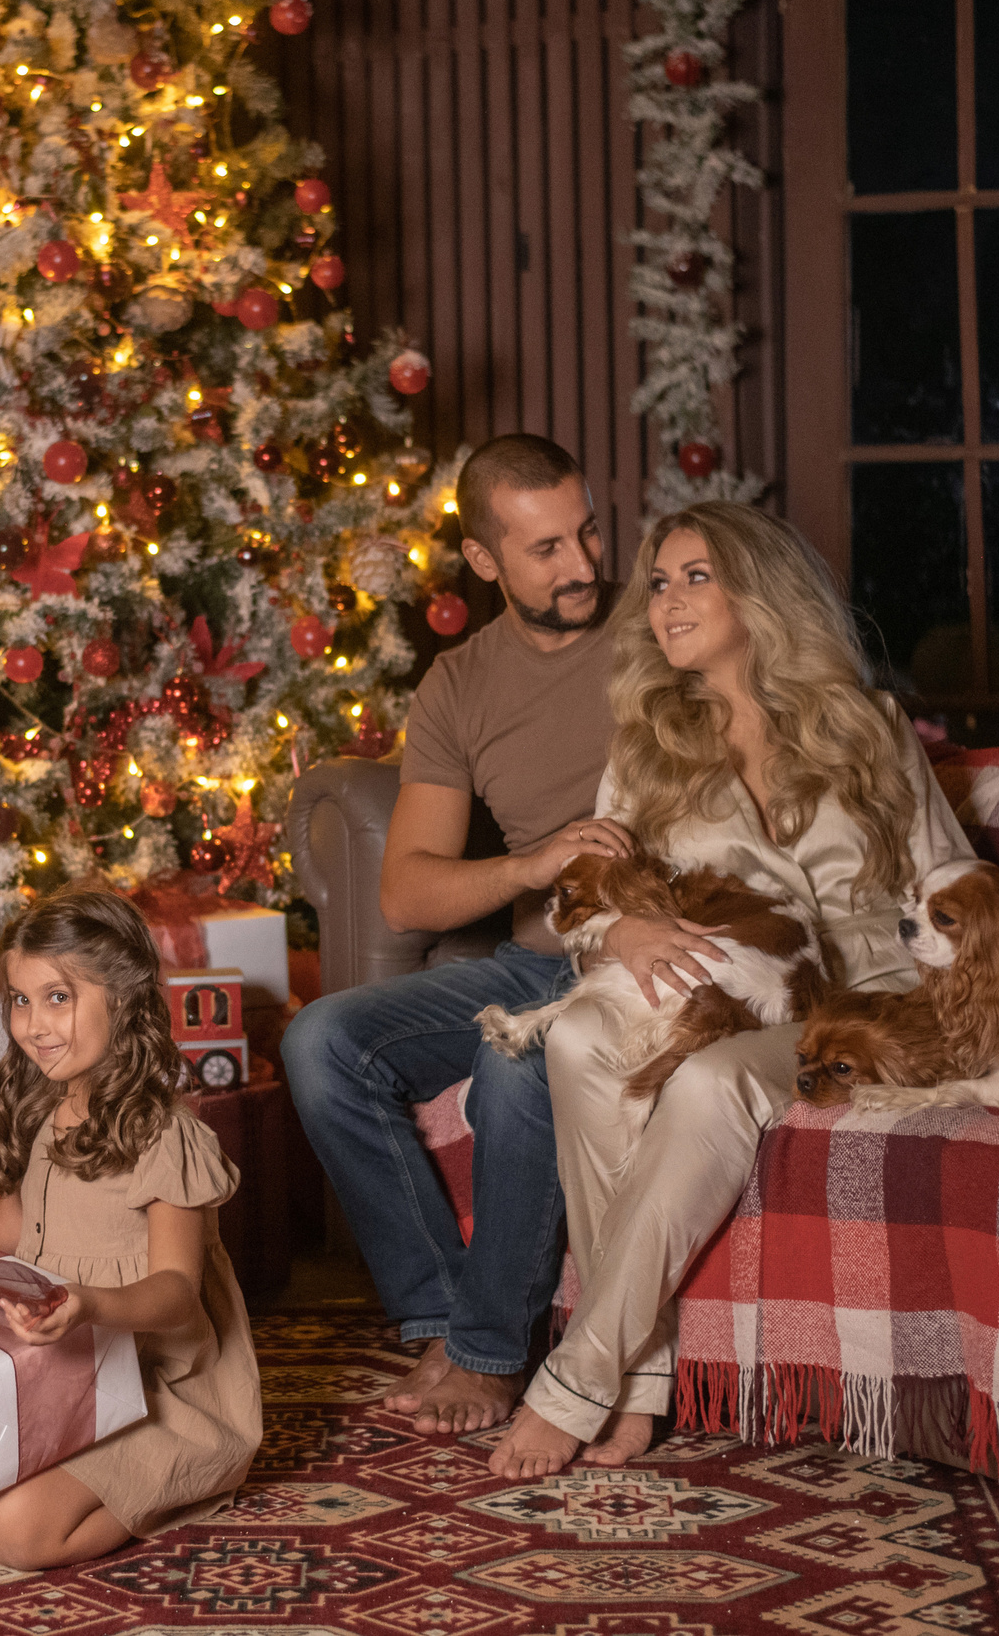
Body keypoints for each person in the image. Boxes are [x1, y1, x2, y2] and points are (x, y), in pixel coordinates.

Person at [485, 499, 973, 1478]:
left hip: (863, 1012)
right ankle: (640, 1380)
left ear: (759, 592)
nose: (666, 600)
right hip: (729, 996)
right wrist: (619, 928)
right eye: (659, 582)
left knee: (709, 1085)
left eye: (695, 577)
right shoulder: (650, 744)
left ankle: (578, 1379)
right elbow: (587, 894)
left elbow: (949, 881)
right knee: (577, 1039)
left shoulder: (869, 726)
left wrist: (987, 1011)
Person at [282, 434, 634, 1435]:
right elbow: (406, 894)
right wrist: (530, 866)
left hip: (635, 960)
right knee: (320, 1041)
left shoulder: (656, 629)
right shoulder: (459, 683)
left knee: (511, 1065)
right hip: (534, 961)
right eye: (545, 549)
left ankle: (489, 1356)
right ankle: (441, 1315)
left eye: (586, 533)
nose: (582, 565)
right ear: (482, 559)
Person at [0, 886, 262, 1571]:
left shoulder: (164, 1134)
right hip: (57, 1374)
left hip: (156, 1387)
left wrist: (91, 1303)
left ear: (123, 1000)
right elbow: (1, 1231)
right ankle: (48, 1478)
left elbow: (176, 1291)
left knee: (13, 1534)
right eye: (20, 1000)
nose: (34, 1024)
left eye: (58, 998)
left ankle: (182, 1478)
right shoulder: (42, 1114)